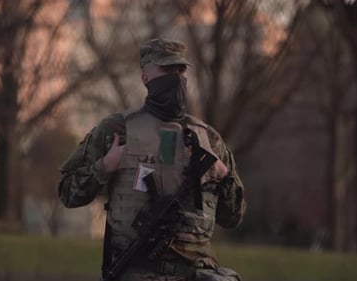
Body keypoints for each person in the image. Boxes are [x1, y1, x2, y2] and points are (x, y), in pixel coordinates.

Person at [58, 38, 246, 281]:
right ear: (145, 77)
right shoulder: (117, 130)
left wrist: (224, 178)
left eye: (181, 70)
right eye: (167, 69)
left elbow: (233, 218)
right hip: (137, 271)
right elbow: (67, 193)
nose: (176, 77)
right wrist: (104, 167)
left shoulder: (209, 139)